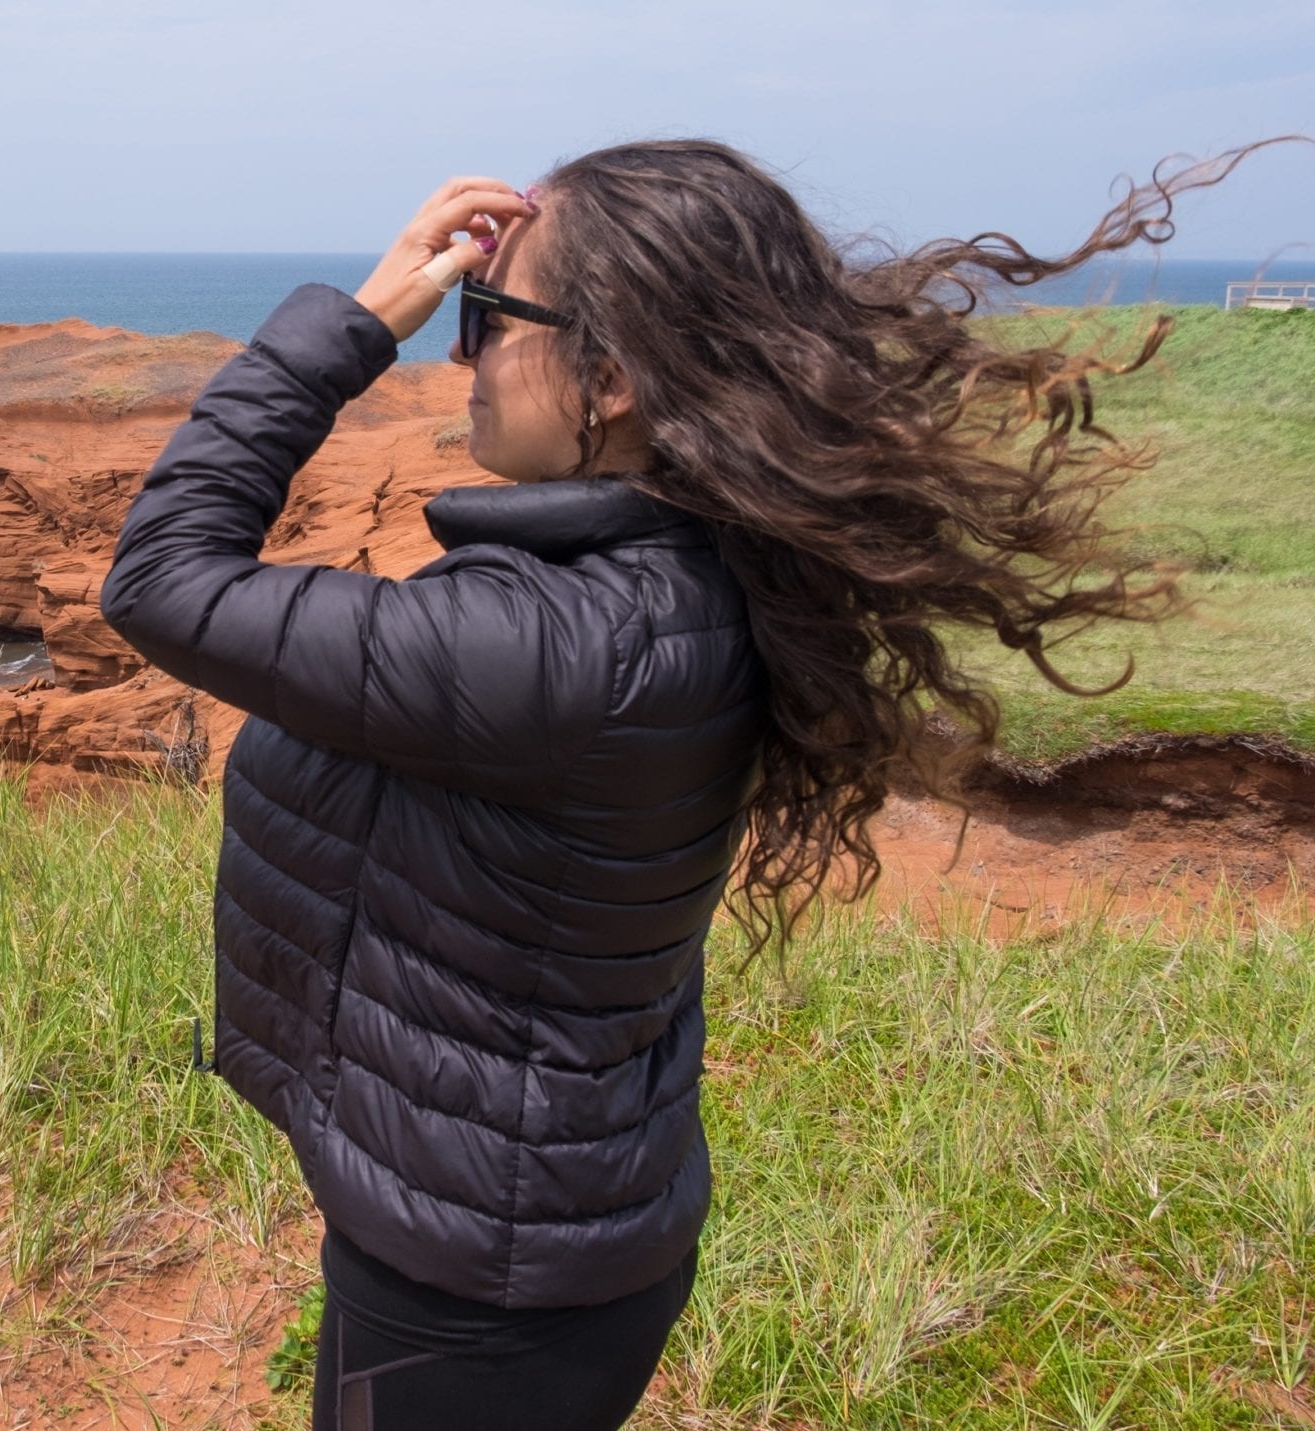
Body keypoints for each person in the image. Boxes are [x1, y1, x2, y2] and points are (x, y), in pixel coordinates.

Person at [97, 137, 1293, 1430]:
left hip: (481, 1290)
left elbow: (161, 579)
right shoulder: (688, 575)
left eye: (486, 317)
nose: (460, 353)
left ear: (608, 379)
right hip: (525, 1225)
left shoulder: (565, 651)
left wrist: (355, 322)